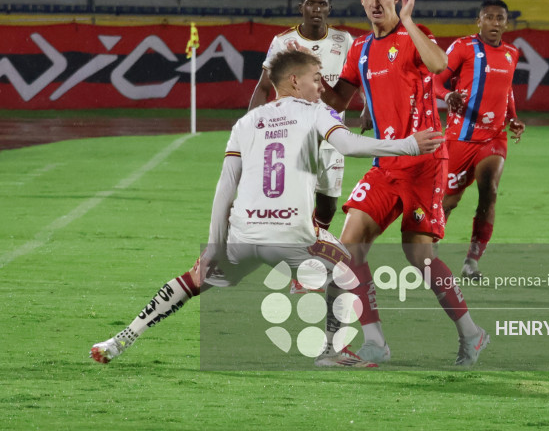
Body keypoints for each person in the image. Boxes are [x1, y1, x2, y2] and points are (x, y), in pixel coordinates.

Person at [90, 50, 444, 368]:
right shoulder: (314, 112)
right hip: (293, 236)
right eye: (316, 79)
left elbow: (225, 187)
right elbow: (348, 145)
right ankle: (330, 351)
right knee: (348, 267)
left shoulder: (245, 123)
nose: (322, 88)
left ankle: (120, 339)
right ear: (294, 81)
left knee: (194, 280)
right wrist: (408, 145)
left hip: (244, 233)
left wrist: (214, 245)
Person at [320, 0, 489, 366]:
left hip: (426, 162)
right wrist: (305, 77)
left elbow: (438, 64)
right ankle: (375, 341)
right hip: (386, 162)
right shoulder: (360, 49)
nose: (375, 2)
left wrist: (410, 21)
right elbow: (339, 99)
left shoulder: (413, 35)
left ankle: (472, 334)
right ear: (360, 0)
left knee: (419, 258)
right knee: (350, 249)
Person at [250, 0, 353, 243]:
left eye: (322, 3)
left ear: (330, 8)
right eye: (311, 3)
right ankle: (305, 260)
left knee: (328, 206)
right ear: (301, 7)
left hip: (332, 136)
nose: (317, 8)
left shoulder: (343, 41)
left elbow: (356, 82)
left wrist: (367, 108)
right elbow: (263, 87)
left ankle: (314, 246)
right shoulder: (284, 42)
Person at [433, 0, 526, 281]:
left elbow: (507, 89)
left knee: (490, 190)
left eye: (500, 19)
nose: (495, 23)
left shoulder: (512, 53)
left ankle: (472, 261)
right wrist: (447, 95)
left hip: (494, 137)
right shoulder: (463, 48)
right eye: (489, 18)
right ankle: (429, 254)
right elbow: (436, 81)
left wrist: (512, 118)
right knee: (448, 201)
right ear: (479, 21)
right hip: (461, 137)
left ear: (506, 24)